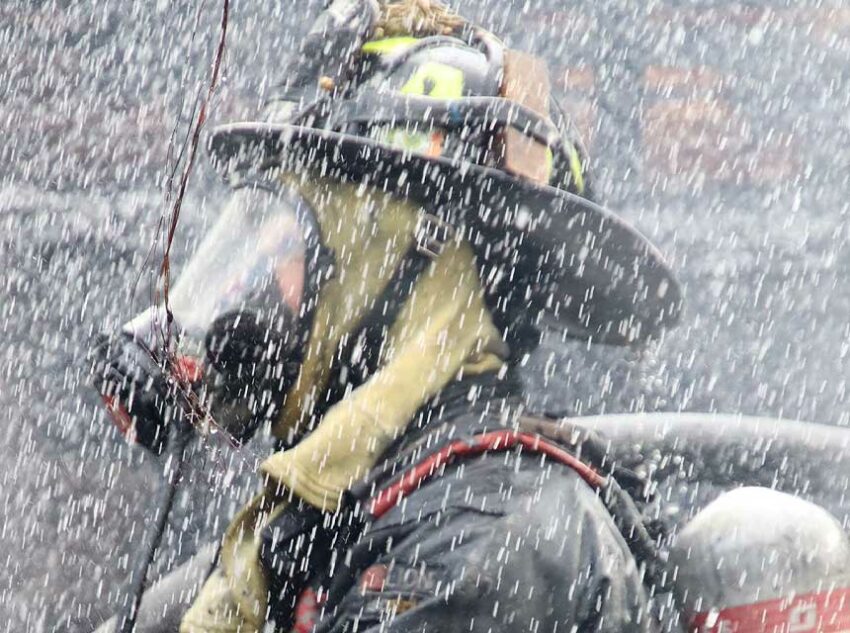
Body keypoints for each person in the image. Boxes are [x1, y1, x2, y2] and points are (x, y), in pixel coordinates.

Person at [93, 1, 679, 631]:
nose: (256, 276)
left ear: (410, 264)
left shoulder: (484, 547)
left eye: (291, 237)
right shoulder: (326, 524)